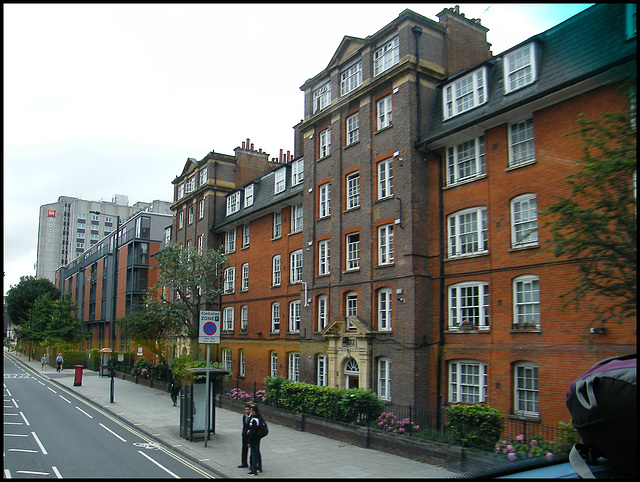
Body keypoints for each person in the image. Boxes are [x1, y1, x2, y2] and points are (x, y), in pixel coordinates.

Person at [246, 405, 263, 476]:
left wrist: (249, 442)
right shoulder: (259, 418)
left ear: (254, 412)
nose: (250, 412)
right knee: (257, 452)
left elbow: (253, 432)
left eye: (251, 410)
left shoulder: (254, 420)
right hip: (257, 439)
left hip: (254, 440)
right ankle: (259, 467)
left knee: (254, 454)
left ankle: (254, 470)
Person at [238, 404, 252, 468]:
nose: (246, 411)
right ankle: (244, 463)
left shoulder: (253, 417)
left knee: (252, 451)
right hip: (244, 436)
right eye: (245, 410)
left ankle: (252, 464)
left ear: (250, 410)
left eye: (248, 410)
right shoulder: (244, 417)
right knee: (244, 449)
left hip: (251, 436)